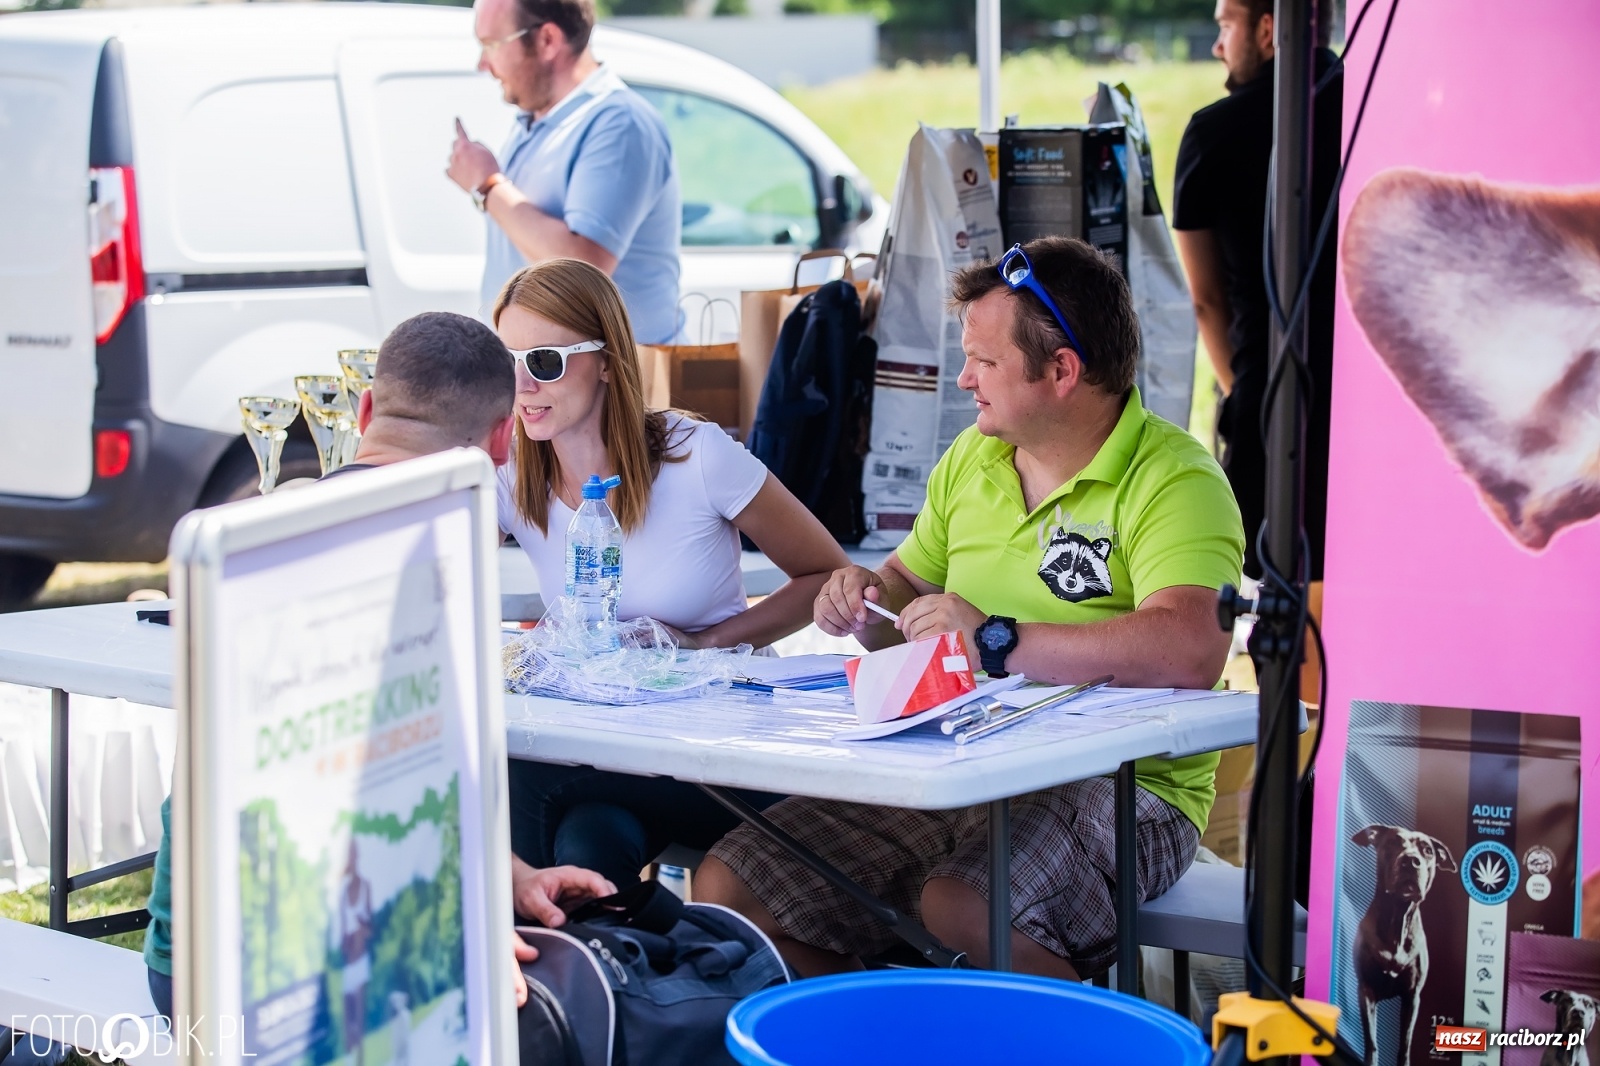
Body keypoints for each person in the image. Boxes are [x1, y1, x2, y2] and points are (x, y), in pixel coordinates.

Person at [695, 237, 1245, 979]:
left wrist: (994, 639)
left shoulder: (1176, 478)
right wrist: (864, 599)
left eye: (985, 363)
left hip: (1126, 786)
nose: (964, 378)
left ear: (1062, 370)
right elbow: (907, 597)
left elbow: (1189, 649)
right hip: (963, 760)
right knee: (731, 890)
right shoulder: (973, 458)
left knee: (963, 904)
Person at [143, 311, 615, 1022]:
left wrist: (510, 880)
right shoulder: (419, 556)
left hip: (187, 962)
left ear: (366, 409)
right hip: (285, 974)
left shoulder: (264, 534)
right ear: (498, 441)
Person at [492, 257, 849, 888]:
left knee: (522, 771)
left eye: (543, 360)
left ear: (605, 360)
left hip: (717, 748)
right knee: (585, 843)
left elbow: (826, 574)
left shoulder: (694, 453)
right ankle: (609, 968)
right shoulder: (512, 474)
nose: (522, 384)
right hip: (607, 750)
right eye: (504, 363)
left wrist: (702, 645)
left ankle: (521, 965)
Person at [1171, 0, 1342, 582]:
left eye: (1225, 26)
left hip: (1268, 397)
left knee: (1286, 591)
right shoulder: (1375, 111)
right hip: (1368, 402)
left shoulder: (1212, 133)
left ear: (1270, 30)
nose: (1217, 45)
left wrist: (1240, 391)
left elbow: (1205, 299)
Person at [447, 0, 681, 343]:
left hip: (610, 388)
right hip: (547, 375)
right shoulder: (537, 119)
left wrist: (488, 186)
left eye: (491, 45)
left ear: (547, 40)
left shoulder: (619, 123)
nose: (483, 64)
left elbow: (584, 269)